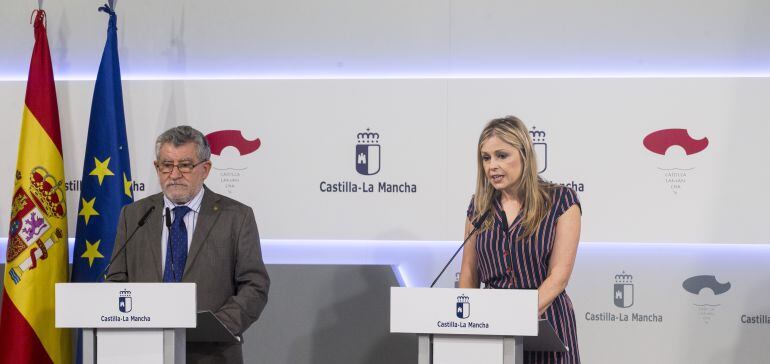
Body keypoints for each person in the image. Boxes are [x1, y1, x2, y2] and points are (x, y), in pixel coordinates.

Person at [107, 125, 270, 363]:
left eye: (184, 165)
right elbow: (116, 280)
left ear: (205, 169)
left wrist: (219, 326)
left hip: (211, 353)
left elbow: (255, 285)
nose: (174, 175)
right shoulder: (134, 215)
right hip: (144, 351)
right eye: (166, 165)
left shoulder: (236, 216)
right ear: (157, 167)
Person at [459, 116, 581, 363]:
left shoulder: (561, 201)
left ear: (524, 155)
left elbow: (559, 277)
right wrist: (466, 325)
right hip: (492, 329)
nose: (492, 165)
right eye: (486, 157)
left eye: (502, 155)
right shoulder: (479, 206)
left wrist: (517, 317)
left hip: (547, 327)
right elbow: (469, 274)